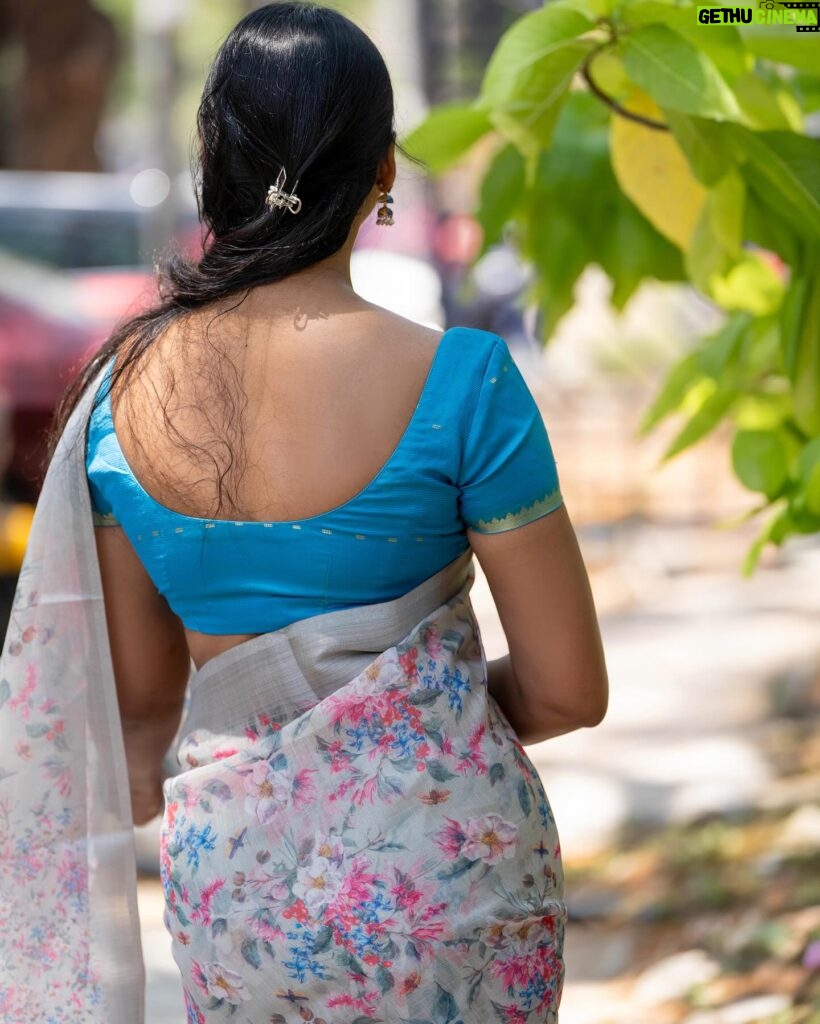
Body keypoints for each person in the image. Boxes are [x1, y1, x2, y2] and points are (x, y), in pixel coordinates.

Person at [0, 4, 608, 1022]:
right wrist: (400, 739)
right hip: (453, 868)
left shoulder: (114, 399)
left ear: (214, 163)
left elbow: (144, 716)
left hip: (240, 890)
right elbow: (567, 689)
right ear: (382, 172)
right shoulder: (463, 380)